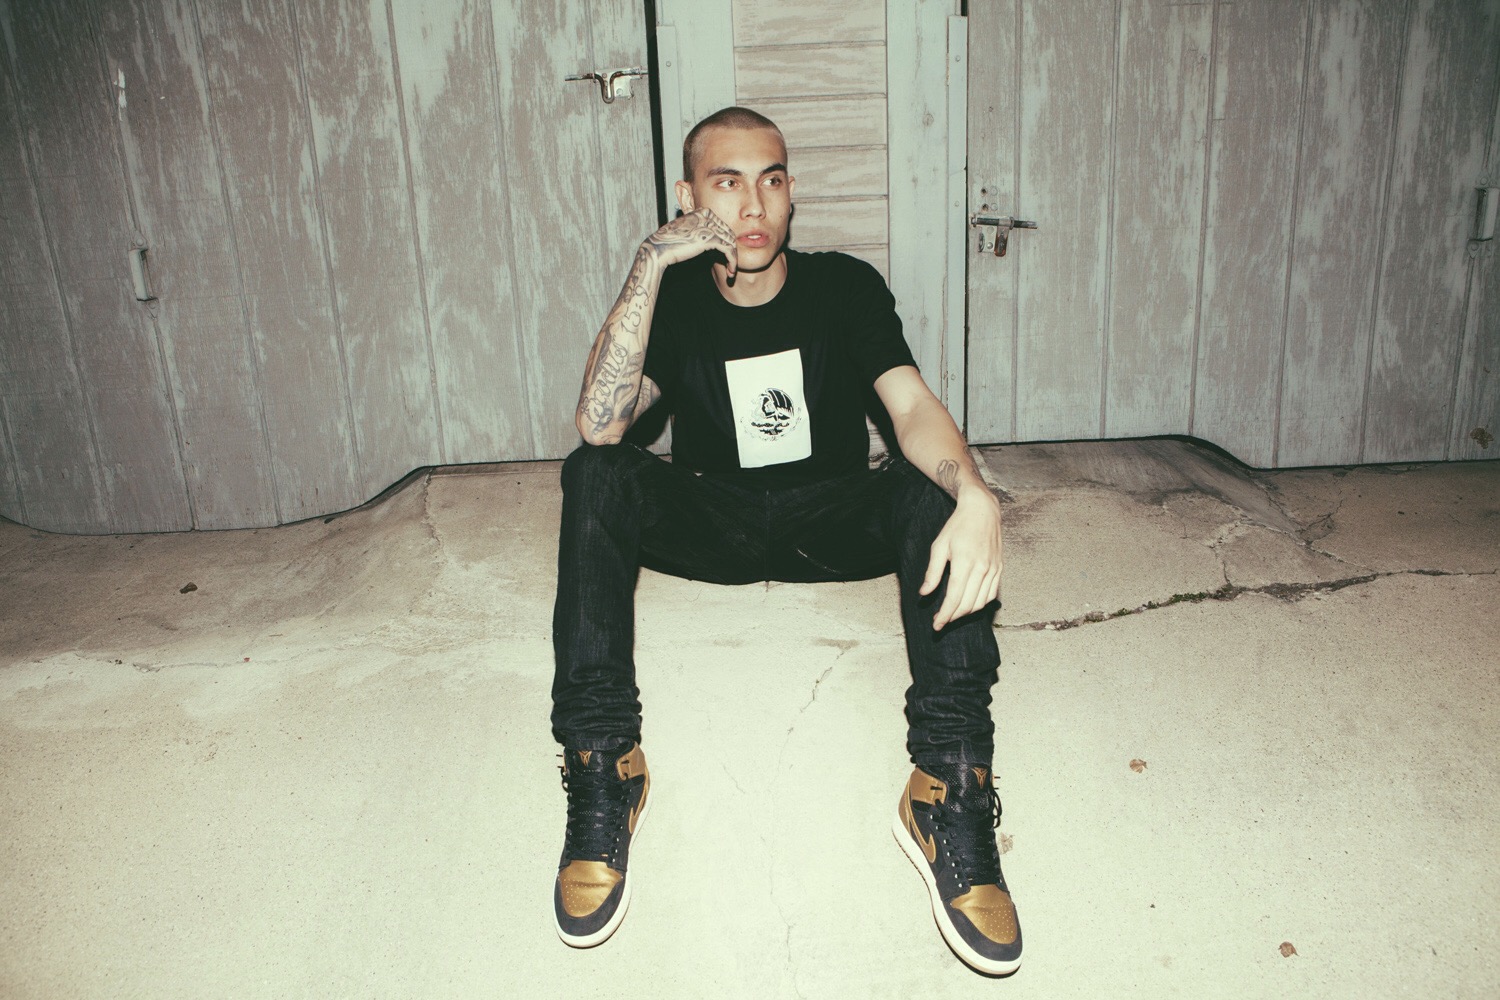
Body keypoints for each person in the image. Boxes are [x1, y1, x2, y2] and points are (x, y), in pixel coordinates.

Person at [550, 107, 1021, 976]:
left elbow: (911, 406)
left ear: (792, 191)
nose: (753, 204)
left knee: (931, 484)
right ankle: (604, 761)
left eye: (770, 180)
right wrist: (650, 264)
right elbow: (600, 422)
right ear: (689, 198)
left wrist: (974, 490)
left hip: (828, 517)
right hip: (713, 517)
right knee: (596, 472)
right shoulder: (676, 297)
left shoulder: (844, 286)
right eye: (727, 183)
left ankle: (949, 781)